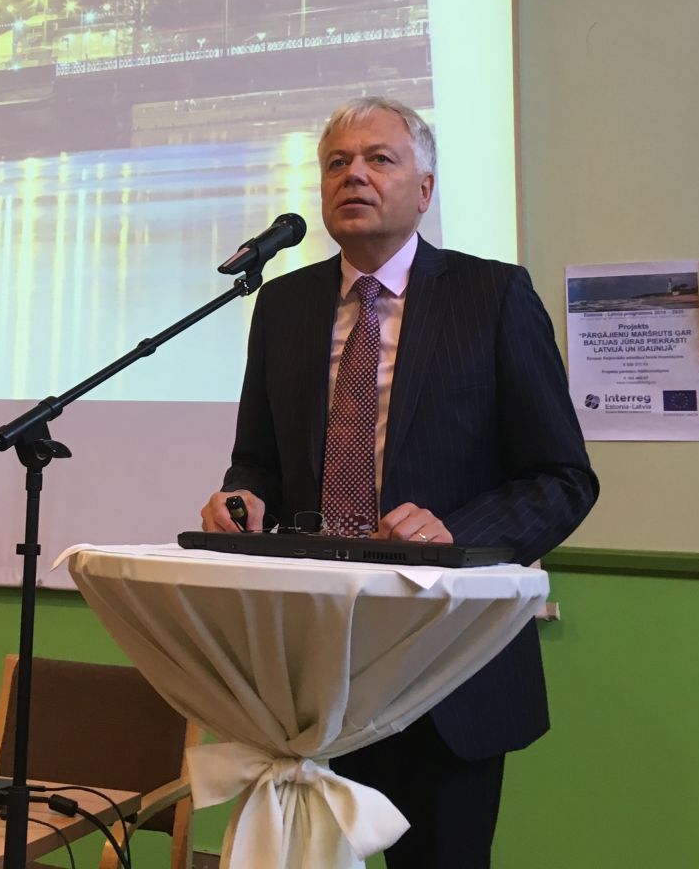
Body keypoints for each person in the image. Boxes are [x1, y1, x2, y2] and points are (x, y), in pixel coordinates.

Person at [200, 96, 598, 868]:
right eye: (337, 163)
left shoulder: (492, 297)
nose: (354, 175)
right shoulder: (283, 305)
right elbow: (258, 462)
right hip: (316, 668)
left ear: (425, 189)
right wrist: (243, 499)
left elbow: (563, 478)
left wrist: (457, 534)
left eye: (379, 159)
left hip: (445, 666)